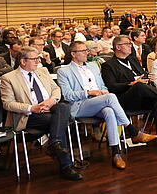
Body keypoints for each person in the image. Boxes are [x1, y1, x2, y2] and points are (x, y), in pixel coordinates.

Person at [0, 47, 83, 181]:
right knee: (61, 119)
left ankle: (54, 143)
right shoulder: (8, 78)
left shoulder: (42, 71)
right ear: (23, 61)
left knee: (62, 106)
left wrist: (51, 101)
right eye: (35, 59)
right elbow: (8, 103)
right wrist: (32, 108)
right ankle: (66, 165)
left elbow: (56, 89)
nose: (39, 61)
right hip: (27, 116)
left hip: (50, 109)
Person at [102, 35, 157, 159]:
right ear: (118, 47)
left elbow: (142, 75)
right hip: (124, 99)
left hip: (141, 95)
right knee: (139, 86)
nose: (130, 46)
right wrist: (132, 83)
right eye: (127, 44)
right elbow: (112, 87)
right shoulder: (109, 65)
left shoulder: (133, 60)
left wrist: (148, 78)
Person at [56, 41, 136, 170]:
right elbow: (67, 95)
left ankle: (116, 153)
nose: (86, 53)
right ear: (73, 54)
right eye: (82, 51)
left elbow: (102, 85)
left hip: (98, 101)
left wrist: (103, 92)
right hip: (79, 105)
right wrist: (89, 92)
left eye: (86, 50)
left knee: (109, 111)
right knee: (110, 97)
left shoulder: (93, 66)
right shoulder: (64, 71)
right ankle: (131, 129)